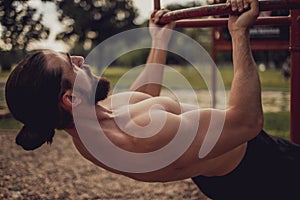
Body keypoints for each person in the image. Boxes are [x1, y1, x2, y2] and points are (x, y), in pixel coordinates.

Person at [5, 0, 300, 199]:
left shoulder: (90, 123)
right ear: (70, 99)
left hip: (226, 168)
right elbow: (246, 121)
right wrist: (238, 33)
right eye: (73, 65)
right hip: (262, 168)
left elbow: (143, 97)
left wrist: (159, 41)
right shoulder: (138, 135)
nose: (83, 59)